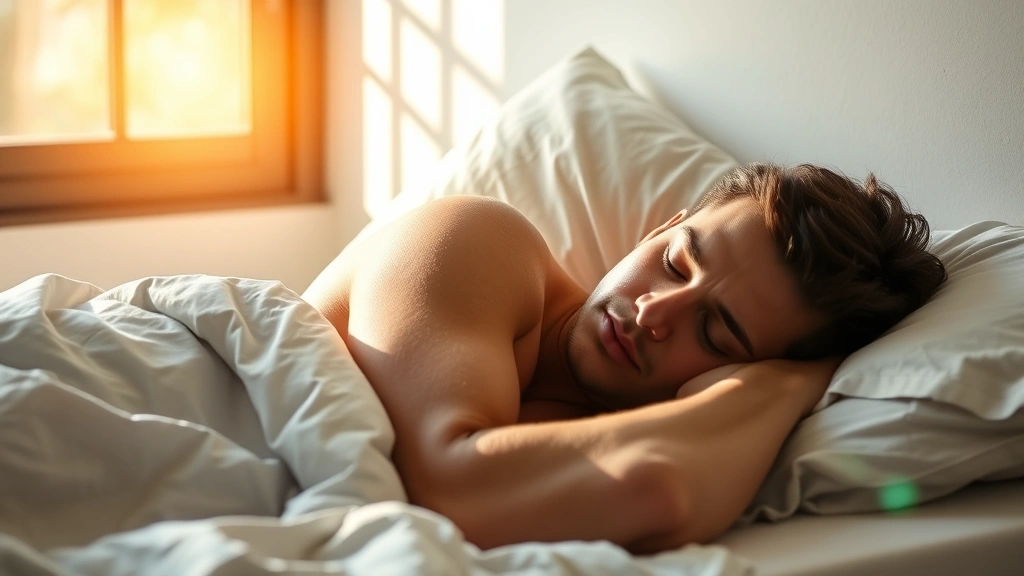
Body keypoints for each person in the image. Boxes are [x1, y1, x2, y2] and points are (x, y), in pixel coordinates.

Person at [302, 162, 946, 553]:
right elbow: (452, 489)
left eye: (717, 334)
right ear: (661, 227)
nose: (653, 313)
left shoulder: (679, 420)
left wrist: (776, 386)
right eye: (674, 263)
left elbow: (655, 492)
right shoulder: (478, 241)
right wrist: (776, 389)